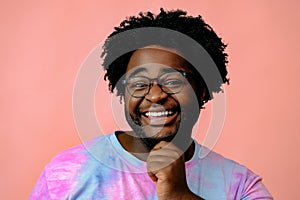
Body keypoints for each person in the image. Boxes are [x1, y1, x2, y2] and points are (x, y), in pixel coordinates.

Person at [30, 9, 273, 199]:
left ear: (202, 89)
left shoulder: (240, 185)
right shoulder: (66, 174)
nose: (155, 95)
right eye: (139, 83)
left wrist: (180, 195)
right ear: (123, 93)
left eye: (173, 80)